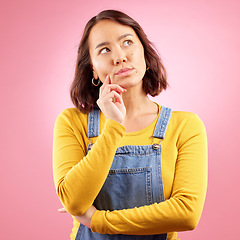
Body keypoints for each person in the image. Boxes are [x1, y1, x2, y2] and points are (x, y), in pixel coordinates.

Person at [53, 9, 208, 240]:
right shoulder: (72, 122)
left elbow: (186, 214)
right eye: (104, 49)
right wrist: (114, 125)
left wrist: (99, 221)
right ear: (93, 69)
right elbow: (74, 202)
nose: (120, 56)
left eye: (127, 42)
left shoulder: (185, 126)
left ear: (144, 53)